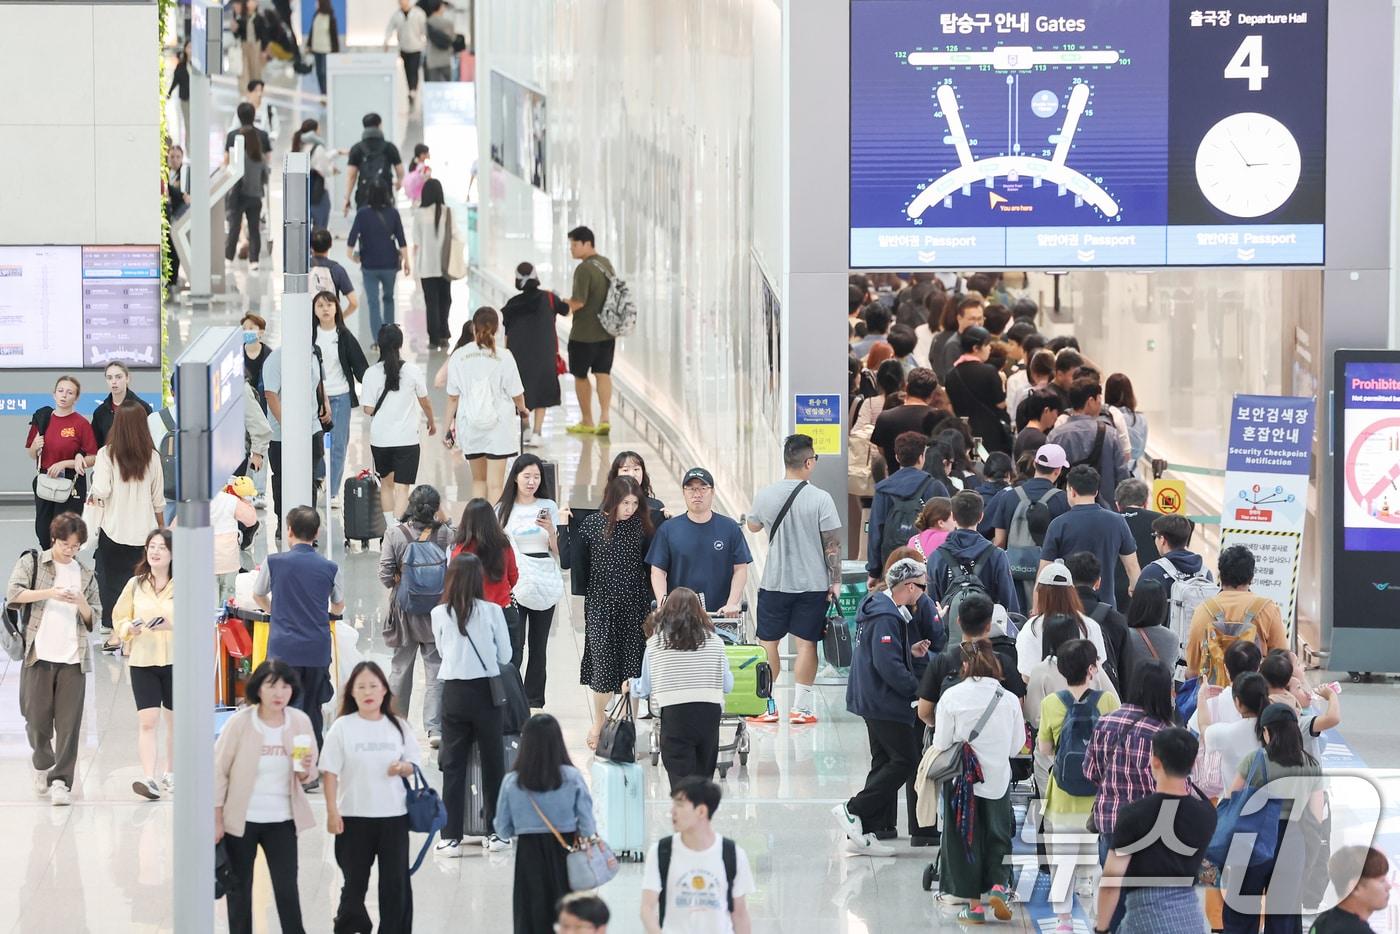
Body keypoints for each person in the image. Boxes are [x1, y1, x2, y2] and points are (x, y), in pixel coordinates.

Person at [833, 558, 938, 856]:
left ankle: (865, 827)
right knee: (905, 760)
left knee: (882, 761)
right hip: (884, 700)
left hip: (869, 697)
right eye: (921, 587)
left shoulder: (880, 608)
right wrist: (918, 691)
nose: (923, 593)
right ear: (908, 586)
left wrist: (909, 651)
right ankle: (853, 809)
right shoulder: (886, 617)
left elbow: (883, 652)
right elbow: (887, 665)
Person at [214, 660, 318, 934]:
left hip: (282, 821)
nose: (279, 693)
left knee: (287, 891)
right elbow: (218, 771)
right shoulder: (240, 723)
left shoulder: (299, 722)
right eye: (271, 685)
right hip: (241, 822)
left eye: (285, 686)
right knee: (239, 893)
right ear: (258, 688)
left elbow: (306, 775)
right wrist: (216, 820)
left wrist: (306, 770)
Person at [926, 637, 1025, 924]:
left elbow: (942, 741)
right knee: (998, 834)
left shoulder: (952, 697)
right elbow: (1016, 745)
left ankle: (974, 907)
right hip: (997, 780)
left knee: (965, 841)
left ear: (965, 664)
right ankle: (998, 887)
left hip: (961, 784)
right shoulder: (1006, 699)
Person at [745, 434, 842, 725]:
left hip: (774, 583)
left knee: (768, 645)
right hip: (812, 585)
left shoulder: (766, 495)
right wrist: (834, 581)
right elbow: (832, 544)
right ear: (809, 462)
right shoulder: (821, 498)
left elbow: (752, 525)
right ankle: (802, 708)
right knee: (806, 645)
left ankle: (767, 705)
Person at [321, 661, 421, 934]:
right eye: (361, 686)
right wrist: (332, 811)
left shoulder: (398, 725)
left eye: (374, 686)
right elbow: (328, 772)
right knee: (354, 883)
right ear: (351, 692)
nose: (368, 691)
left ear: (385, 691)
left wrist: (403, 768)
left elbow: (414, 761)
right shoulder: (342, 727)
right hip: (353, 817)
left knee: (395, 885)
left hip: (394, 818)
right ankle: (352, 925)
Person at [9, 514, 100, 806]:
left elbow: (93, 619)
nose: (69, 550)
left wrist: (81, 603)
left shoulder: (85, 573)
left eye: (75, 546)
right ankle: (41, 762)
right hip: (38, 656)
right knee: (35, 720)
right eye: (65, 544)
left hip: (74, 659)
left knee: (70, 725)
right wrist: (52, 593)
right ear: (54, 539)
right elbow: (13, 594)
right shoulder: (33, 562)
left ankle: (61, 780)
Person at [1095, 728, 1217, 934]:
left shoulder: (1133, 814)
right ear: (1193, 763)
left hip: (1144, 920)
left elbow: (1111, 882)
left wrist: (1102, 929)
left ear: (1155, 761)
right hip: (1189, 920)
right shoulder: (1207, 814)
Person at [1036, 639, 1121, 932]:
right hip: (1099, 799)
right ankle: (1099, 918)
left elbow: (1045, 748)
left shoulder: (1051, 703)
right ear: (1091, 669)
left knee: (1063, 862)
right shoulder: (1107, 701)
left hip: (1062, 796)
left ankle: (1064, 922)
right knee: (1099, 863)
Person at [432, 553, 514, 856]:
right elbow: (505, 656)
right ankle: (495, 833)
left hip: (453, 692)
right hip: (487, 694)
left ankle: (450, 836)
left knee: (453, 765)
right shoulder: (493, 611)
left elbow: (442, 652)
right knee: (494, 762)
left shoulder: (439, 613)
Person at [1220, 703, 1324, 934]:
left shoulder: (1255, 759)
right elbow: (1317, 814)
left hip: (1252, 836)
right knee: (1283, 916)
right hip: (1292, 841)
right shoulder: (1311, 764)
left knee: (1241, 909)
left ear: (1266, 731)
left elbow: (1231, 799)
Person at [494, 713, 598, 934]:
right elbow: (588, 824)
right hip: (566, 852)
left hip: (528, 854)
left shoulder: (513, 781)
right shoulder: (571, 777)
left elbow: (502, 828)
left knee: (530, 914)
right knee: (568, 916)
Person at [252, 506, 346, 751]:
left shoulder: (273, 562)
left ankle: (286, 763)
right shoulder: (329, 567)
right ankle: (309, 766)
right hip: (316, 649)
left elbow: (258, 594)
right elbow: (338, 605)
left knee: (283, 708)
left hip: (283, 650)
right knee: (312, 709)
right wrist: (327, 614)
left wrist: (275, 611)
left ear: (289, 530)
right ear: (317, 534)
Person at [575, 477, 654, 747]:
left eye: (634, 503)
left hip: (634, 607)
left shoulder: (641, 527)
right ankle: (599, 720)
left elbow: (649, 564)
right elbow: (581, 566)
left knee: (632, 668)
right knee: (602, 668)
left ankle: (626, 722)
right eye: (625, 503)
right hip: (601, 606)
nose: (629, 509)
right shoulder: (593, 526)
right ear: (612, 500)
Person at [631, 588, 732, 790]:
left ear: (666, 612)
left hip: (675, 715)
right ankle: (700, 813)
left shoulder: (655, 644)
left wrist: (628, 685)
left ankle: (687, 814)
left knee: (680, 778)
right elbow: (727, 685)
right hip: (709, 714)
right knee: (704, 776)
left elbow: (644, 688)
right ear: (700, 612)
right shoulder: (716, 642)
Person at [379, 485, 453, 746]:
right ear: (436, 508)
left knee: (400, 668)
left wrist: (400, 583)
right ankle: (435, 729)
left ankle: (396, 724)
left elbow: (385, 574)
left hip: (404, 612)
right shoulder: (444, 533)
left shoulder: (395, 534)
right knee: (435, 669)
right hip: (435, 612)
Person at [87, 402, 165, 645]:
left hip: (113, 531)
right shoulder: (152, 457)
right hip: (144, 533)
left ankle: (113, 631)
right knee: (141, 583)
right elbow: (158, 501)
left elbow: (101, 490)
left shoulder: (105, 454)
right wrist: (161, 532)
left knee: (111, 584)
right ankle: (140, 627)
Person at [642, 778, 755, 934]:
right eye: (673, 804)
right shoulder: (661, 852)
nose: (672, 812)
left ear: (701, 811)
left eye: (680, 805)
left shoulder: (733, 854)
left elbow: (740, 914)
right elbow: (647, 908)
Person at [113, 529, 176, 799]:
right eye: (151, 546)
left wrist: (172, 625)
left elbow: (199, 619)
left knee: (175, 723)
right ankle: (149, 778)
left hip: (177, 661)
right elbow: (119, 618)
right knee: (147, 722)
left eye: (162, 547)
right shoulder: (135, 584)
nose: (155, 551)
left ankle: (171, 773)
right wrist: (130, 628)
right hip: (143, 662)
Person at [496, 455, 563, 707]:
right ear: (515, 477)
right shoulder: (502, 509)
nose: (532, 482)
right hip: (513, 584)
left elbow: (558, 551)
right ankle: (511, 697)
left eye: (536, 477)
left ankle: (534, 699)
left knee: (539, 646)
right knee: (514, 644)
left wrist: (551, 531)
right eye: (527, 476)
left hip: (543, 580)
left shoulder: (548, 506)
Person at [444, 307, 528, 501]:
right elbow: (517, 393)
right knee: (496, 484)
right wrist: (522, 410)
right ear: (497, 329)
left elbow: (452, 397)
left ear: (473, 327)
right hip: (499, 427)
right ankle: (495, 529)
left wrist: (446, 427)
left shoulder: (460, 355)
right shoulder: (504, 356)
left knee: (478, 481)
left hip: (470, 424)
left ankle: (478, 527)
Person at [647, 468, 752, 615]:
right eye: (691, 489)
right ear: (683, 492)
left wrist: (732, 603)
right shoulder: (668, 529)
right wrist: (662, 602)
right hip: (679, 616)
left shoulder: (730, 528)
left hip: (720, 615)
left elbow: (740, 568)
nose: (697, 494)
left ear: (713, 492)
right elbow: (658, 570)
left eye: (703, 488)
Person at [360, 324, 434, 522]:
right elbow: (425, 401)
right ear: (400, 344)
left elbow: (367, 409)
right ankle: (399, 530)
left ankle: (391, 530)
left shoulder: (371, 373)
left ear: (379, 345)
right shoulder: (412, 371)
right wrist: (432, 422)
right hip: (407, 439)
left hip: (381, 440)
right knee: (402, 488)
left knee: (386, 484)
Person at [1039, 465, 1140, 609]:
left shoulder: (1059, 524)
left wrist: (1038, 605)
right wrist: (1134, 588)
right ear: (1096, 491)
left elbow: (1045, 571)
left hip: (1069, 606)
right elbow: (1132, 567)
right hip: (1106, 608)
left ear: (1072, 491)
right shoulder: (1117, 521)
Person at [1184, 545, 1287, 683]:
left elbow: (1193, 668)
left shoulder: (1203, 610)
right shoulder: (1267, 609)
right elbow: (1282, 662)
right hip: (1254, 697)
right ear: (1251, 577)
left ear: (1220, 576)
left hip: (1212, 697)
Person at [261, 344, 329, 540]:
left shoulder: (314, 353)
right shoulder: (276, 359)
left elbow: (318, 383)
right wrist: (287, 427)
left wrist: (325, 403)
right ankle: (284, 523)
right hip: (281, 435)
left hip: (312, 428)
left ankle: (308, 529)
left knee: (309, 479)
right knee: (283, 479)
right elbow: (270, 395)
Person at [866, 431, 949, 582]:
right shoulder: (934, 486)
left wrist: (874, 571)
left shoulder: (883, 489)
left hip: (891, 564)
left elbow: (875, 531)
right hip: (927, 565)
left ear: (897, 457)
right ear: (921, 457)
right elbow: (947, 527)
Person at [313, 290, 369, 509]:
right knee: (316, 443)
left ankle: (333, 491)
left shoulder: (344, 335)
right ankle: (319, 478)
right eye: (320, 306)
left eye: (329, 305)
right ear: (314, 310)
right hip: (315, 398)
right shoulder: (310, 335)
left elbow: (360, 367)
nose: (325, 309)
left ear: (337, 308)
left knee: (337, 446)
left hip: (341, 397)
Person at [26, 376, 97, 548]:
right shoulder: (42, 419)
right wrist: (35, 446)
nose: (64, 395)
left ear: (76, 398)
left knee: (66, 532)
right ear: (54, 394)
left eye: (70, 392)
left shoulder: (81, 424)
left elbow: (93, 458)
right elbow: (31, 453)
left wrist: (65, 463)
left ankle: (64, 569)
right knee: (43, 531)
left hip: (71, 483)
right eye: (60, 391)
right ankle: (48, 565)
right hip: (46, 481)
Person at [501, 262, 567, 445]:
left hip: (518, 355)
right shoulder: (549, 298)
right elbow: (566, 310)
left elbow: (507, 335)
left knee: (522, 391)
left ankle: (526, 428)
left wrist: (506, 357)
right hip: (544, 353)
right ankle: (537, 432)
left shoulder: (512, 304)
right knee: (541, 391)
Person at [927, 490, 1022, 614]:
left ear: (953, 517)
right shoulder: (997, 555)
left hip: (949, 630)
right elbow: (1009, 603)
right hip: (987, 629)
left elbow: (933, 603)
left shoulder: (936, 556)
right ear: (981, 516)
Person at [450, 497, 521, 658]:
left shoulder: (460, 550)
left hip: (472, 615)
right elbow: (513, 577)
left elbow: (455, 584)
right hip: (503, 611)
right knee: (508, 666)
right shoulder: (503, 544)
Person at [564, 226, 617, 435]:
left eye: (575, 245)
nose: (572, 249)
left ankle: (587, 421)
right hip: (606, 332)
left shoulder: (584, 269)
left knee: (580, 375)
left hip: (584, 334)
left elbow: (578, 302)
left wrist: (561, 305)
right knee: (603, 373)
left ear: (587, 244)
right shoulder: (606, 264)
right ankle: (605, 417)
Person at [1047, 379, 1130, 507]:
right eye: (1098, 399)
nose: (1100, 404)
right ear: (1090, 402)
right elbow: (1122, 477)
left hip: (1064, 510)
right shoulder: (1110, 434)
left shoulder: (1056, 436)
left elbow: (1047, 474)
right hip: (1104, 511)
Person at [350, 184, 411, 341]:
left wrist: (354, 257)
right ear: (387, 196)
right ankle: (389, 337)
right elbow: (402, 240)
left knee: (373, 302)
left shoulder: (362, 214)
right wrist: (407, 262)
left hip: (369, 265)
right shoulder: (393, 213)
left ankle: (378, 340)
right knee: (389, 299)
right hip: (389, 264)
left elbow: (350, 242)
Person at [1064, 550, 1128, 691]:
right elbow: (1125, 670)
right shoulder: (1116, 619)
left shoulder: (1058, 617)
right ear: (1098, 582)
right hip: (1104, 697)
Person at [1199, 670, 1269, 795]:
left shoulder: (1228, 733)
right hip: (1274, 810)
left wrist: (1201, 697)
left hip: (1237, 809)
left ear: (1237, 702)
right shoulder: (1278, 728)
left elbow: (1204, 727)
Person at [944, 325, 1012, 455]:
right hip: (990, 432)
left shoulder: (951, 374)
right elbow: (1000, 403)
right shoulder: (989, 371)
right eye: (986, 345)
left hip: (964, 433)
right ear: (975, 348)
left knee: (971, 468)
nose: (989, 348)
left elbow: (951, 405)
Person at [223, 102, 269, 266]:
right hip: (255, 195)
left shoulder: (235, 145)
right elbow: (266, 173)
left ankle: (228, 258)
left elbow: (227, 166)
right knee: (254, 229)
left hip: (238, 195)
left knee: (234, 227)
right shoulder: (261, 152)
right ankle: (254, 261)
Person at [870, 367, 943, 469]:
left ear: (906, 386)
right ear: (932, 394)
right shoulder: (941, 420)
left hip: (894, 480)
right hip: (929, 482)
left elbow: (882, 450)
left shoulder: (885, 417)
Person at [412, 178, 454, 348]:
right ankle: (444, 333)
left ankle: (434, 338)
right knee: (446, 300)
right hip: (445, 266)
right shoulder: (448, 212)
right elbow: (457, 236)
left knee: (431, 302)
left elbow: (416, 242)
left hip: (426, 267)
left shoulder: (419, 214)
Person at [1311, 847, 1391, 934]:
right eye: (1382, 880)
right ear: (1355, 887)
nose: (1389, 886)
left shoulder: (1322, 921)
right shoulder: (1357, 931)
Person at [1113, 479, 1165, 611]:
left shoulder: (1108, 521)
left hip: (1112, 593)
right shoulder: (1160, 522)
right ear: (1146, 503)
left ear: (1117, 504)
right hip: (1150, 593)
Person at [1118, 579, 1178, 688]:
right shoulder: (1172, 638)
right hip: (1162, 698)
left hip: (1132, 696)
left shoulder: (1126, 635)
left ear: (1135, 603)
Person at [344, 113, 404, 213]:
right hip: (385, 194)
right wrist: (399, 182)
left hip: (364, 196)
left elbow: (351, 176)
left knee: (365, 225)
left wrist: (347, 198)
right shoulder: (389, 147)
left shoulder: (357, 148)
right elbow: (400, 170)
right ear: (379, 125)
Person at [91, 361, 153, 449]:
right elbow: (96, 444)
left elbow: (149, 441)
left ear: (127, 378)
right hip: (108, 460)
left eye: (118, 377)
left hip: (137, 459)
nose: (114, 382)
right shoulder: (100, 412)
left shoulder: (142, 408)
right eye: (109, 378)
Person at [931, 293, 987, 381]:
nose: (977, 324)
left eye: (980, 319)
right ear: (959, 318)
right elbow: (954, 380)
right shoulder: (954, 345)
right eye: (972, 319)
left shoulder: (979, 339)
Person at [607, 450, 669, 527]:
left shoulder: (656, 506)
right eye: (625, 470)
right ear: (616, 475)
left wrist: (669, 523)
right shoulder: (607, 506)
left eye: (636, 469)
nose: (632, 474)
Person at [309, 227, 360, 319]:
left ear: (311, 246)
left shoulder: (304, 268)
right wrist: (340, 319)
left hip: (307, 321)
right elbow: (354, 303)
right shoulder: (337, 269)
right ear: (330, 245)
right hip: (329, 322)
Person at [383, 0, 427, 106]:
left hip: (416, 47)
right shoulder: (396, 15)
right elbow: (390, 28)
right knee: (407, 69)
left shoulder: (419, 13)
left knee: (414, 69)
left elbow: (424, 29)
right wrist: (386, 41)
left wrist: (425, 43)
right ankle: (410, 89)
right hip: (404, 47)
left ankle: (413, 90)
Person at [1104, 373, 1148, 464]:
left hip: (1111, 471)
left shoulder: (1104, 418)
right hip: (1135, 473)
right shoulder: (1141, 419)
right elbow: (1140, 451)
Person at [1012, 387, 1062, 463]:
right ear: (1046, 411)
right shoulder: (1039, 440)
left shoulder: (1022, 434)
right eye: (1056, 412)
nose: (1056, 417)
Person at [308, 0, 339, 95]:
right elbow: (312, 32)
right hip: (316, 49)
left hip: (326, 49)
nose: (315, 4)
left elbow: (334, 36)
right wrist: (309, 45)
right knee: (318, 73)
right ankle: (323, 93)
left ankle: (328, 93)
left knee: (324, 72)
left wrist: (336, 50)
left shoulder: (330, 18)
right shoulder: (316, 15)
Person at [423, 3, 456, 80]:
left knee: (433, 88)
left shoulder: (427, 22)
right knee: (447, 88)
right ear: (440, 7)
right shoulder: (448, 23)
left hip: (432, 60)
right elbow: (452, 38)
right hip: (445, 59)